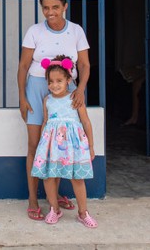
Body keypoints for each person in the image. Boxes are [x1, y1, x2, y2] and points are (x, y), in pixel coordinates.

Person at [17, 0, 91, 221]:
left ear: (65, 6)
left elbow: (85, 66)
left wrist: (79, 89)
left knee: (60, 143)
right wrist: (22, 97)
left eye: (55, 7)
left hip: (67, 89)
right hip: (38, 87)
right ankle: (32, 199)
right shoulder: (34, 31)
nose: (50, 12)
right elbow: (23, 66)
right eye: (46, 8)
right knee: (35, 145)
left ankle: (54, 196)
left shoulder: (76, 31)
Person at [31, 56, 97, 227]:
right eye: (50, 81)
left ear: (69, 80)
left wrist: (90, 146)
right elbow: (46, 122)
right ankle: (54, 209)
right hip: (51, 146)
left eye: (59, 80)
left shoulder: (75, 98)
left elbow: (86, 122)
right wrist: (41, 146)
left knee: (77, 178)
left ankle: (83, 213)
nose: (54, 85)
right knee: (49, 177)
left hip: (74, 147)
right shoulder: (47, 100)